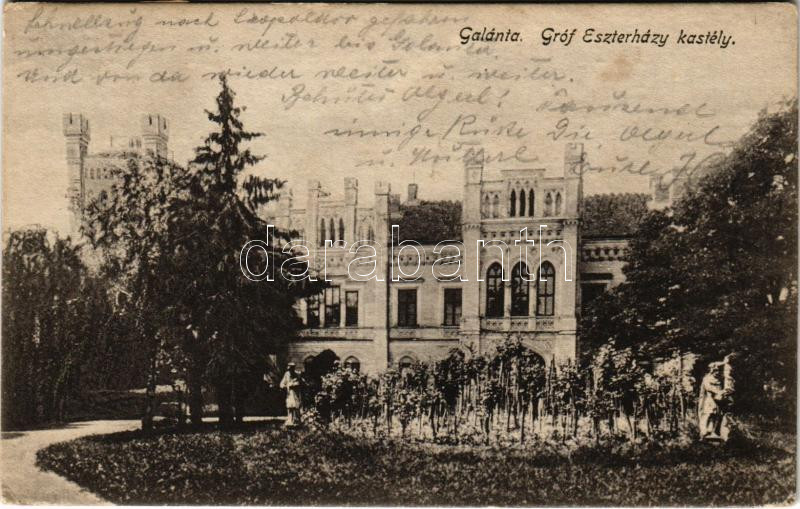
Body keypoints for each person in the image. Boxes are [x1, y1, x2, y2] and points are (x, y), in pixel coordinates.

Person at [697, 361, 729, 440]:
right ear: (712, 370)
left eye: (719, 371)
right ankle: (704, 432)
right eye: (716, 371)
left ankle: (713, 431)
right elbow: (708, 388)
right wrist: (718, 392)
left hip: (718, 400)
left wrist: (723, 392)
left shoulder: (720, 379)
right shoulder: (707, 378)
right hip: (709, 399)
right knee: (708, 414)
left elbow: (723, 388)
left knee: (717, 415)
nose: (717, 372)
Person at [280, 363, 302, 427]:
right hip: (289, 393)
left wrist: (295, 384)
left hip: (295, 393)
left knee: (295, 406)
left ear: (293, 368)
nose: (290, 370)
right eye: (289, 369)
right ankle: (290, 421)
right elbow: (281, 384)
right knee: (290, 406)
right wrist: (285, 385)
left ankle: (296, 421)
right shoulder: (287, 374)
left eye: (291, 369)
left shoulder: (297, 374)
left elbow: (299, 383)